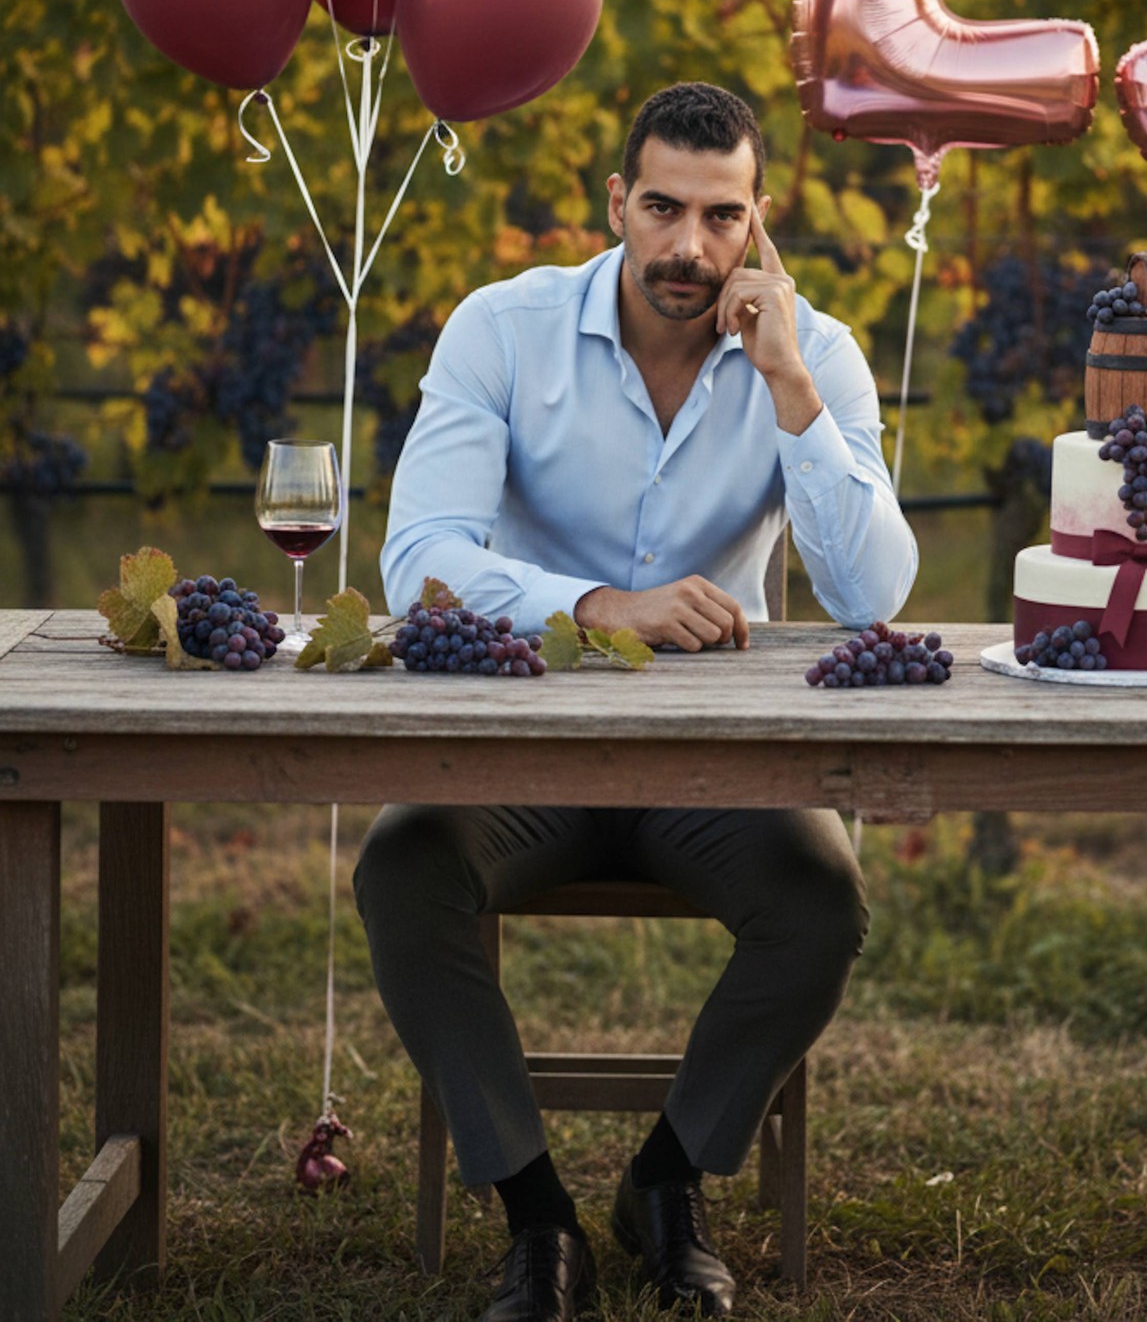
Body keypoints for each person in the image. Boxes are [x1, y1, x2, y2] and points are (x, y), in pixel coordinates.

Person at [355, 82, 918, 1321]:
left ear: (757, 221)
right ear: (616, 201)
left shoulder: (808, 349)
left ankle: (668, 1182)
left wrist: (786, 384)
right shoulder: (503, 330)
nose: (687, 248)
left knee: (817, 900)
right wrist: (603, 603)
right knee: (404, 866)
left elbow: (871, 590)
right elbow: (421, 561)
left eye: (721, 217)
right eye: (661, 207)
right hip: (523, 752)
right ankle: (536, 1214)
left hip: (711, 765)